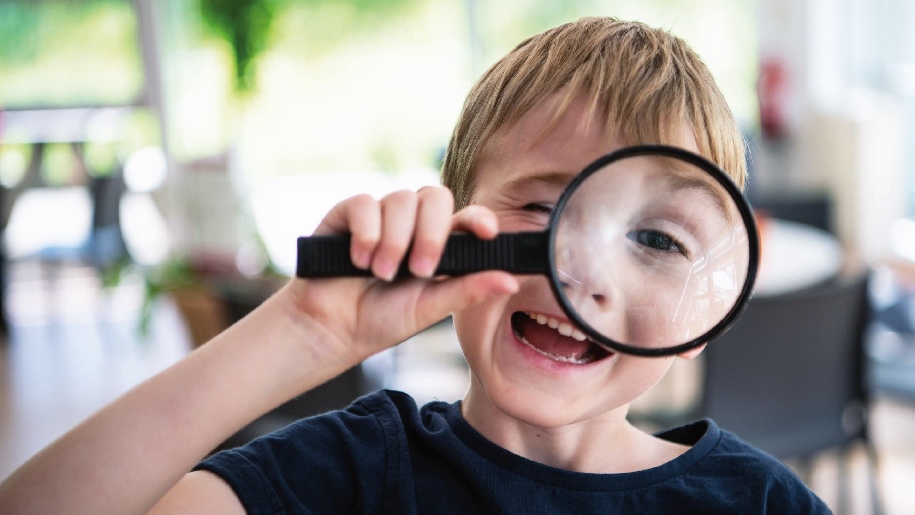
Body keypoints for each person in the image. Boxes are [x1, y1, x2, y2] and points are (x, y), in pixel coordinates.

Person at [0, 16, 830, 514]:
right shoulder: (345, 474)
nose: (589, 276)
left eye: (656, 240)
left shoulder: (757, 503)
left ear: (703, 315)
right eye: (539, 211)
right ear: (456, 230)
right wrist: (300, 330)